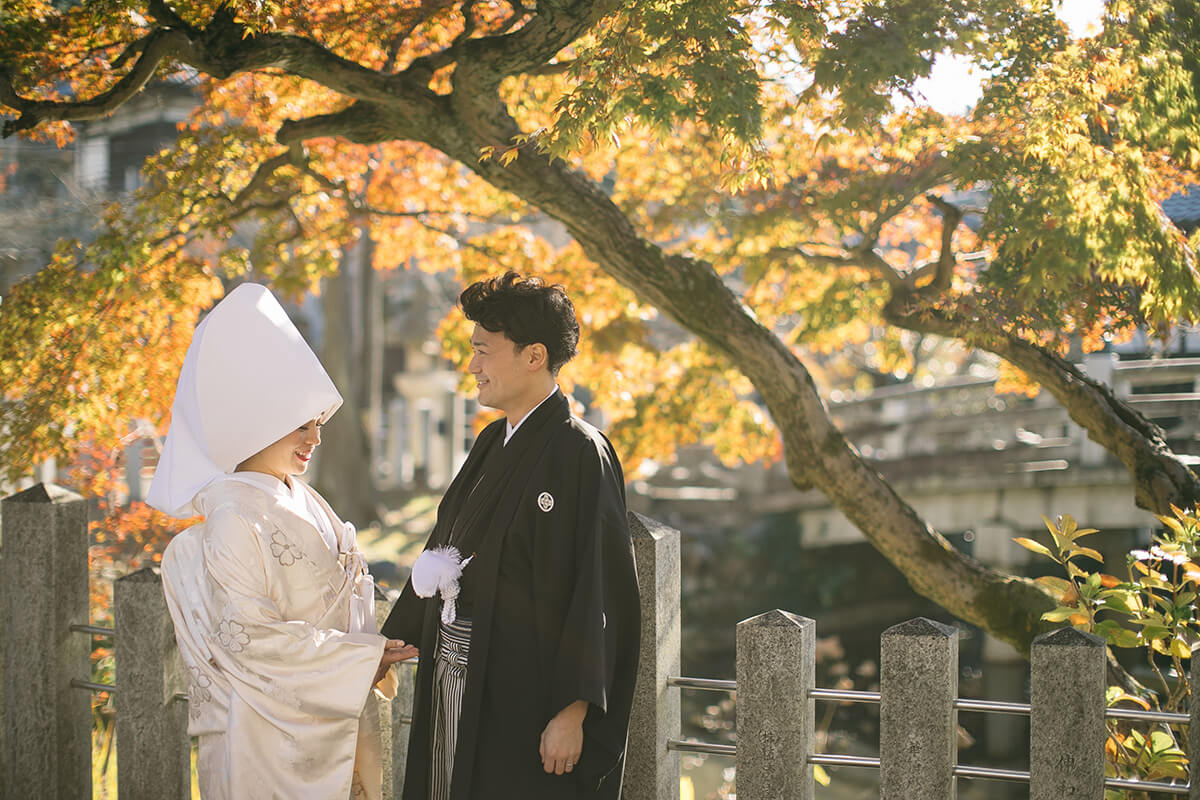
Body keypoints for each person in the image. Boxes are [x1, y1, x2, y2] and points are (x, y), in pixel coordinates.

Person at [148, 283, 417, 800]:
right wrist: (362, 658)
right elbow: (249, 640)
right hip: (266, 742)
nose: (314, 439)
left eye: (317, 424)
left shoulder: (307, 500)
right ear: (256, 422)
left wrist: (369, 655)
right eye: (300, 425)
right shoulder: (232, 514)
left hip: (332, 719)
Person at [382, 271, 641, 800]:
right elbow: (445, 547)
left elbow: (597, 586)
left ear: (533, 355)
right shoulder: (489, 444)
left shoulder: (579, 453)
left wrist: (574, 711)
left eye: (483, 350)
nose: (472, 365)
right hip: (456, 678)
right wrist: (394, 640)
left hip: (528, 694)